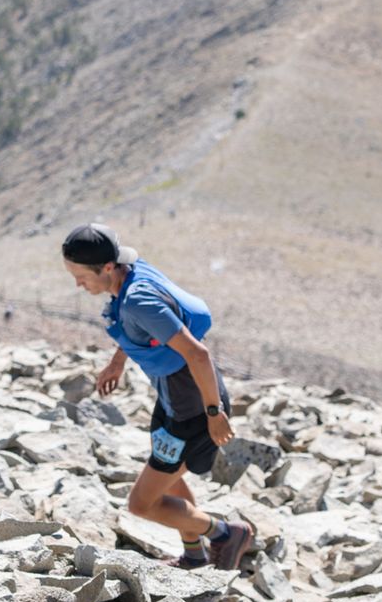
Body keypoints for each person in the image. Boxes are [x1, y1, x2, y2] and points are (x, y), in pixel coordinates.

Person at [61, 222, 255, 570]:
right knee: (171, 476)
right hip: (173, 402)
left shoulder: (139, 301)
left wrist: (214, 413)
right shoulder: (130, 272)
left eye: (81, 276)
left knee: (141, 504)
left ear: (107, 267)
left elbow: (198, 355)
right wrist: (118, 361)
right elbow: (147, 331)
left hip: (193, 410)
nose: (78, 284)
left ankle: (226, 532)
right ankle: (194, 554)